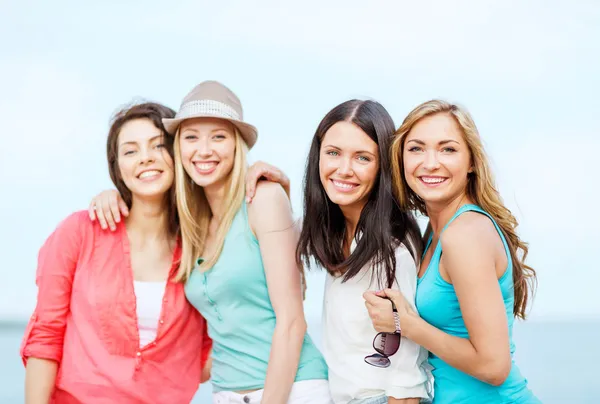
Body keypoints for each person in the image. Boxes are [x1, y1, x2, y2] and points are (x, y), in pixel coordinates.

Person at [89, 80, 330, 404]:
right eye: (191, 137)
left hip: (293, 390)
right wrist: (111, 195)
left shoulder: (263, 199)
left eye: (218, 136)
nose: (204, 150)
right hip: (226, 393)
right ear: (179, 149)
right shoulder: (192, 225)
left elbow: (292, 321)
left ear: (236, 145)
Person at [21, 102, 212, 404]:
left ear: (179, 156)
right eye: (130, 151)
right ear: (117, 167)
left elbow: (209, 355)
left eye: (158, 146)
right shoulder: (80, 232)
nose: (146, 158)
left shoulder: (203, 247)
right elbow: (46, 336)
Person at [364, 100, 540, 403]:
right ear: (400, 159)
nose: (431, 162)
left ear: (471, 162)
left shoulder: (465, 233)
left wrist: (405, 325)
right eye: (417, 149)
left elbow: (494, 366)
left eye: (448, 149)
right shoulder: (436, 231)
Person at [294, 99, 431, 404]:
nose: (344, 169)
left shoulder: (393, 246)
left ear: (383, 165)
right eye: (333, 153)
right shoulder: (337, 228)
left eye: (362, 158)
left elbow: (407, 378)